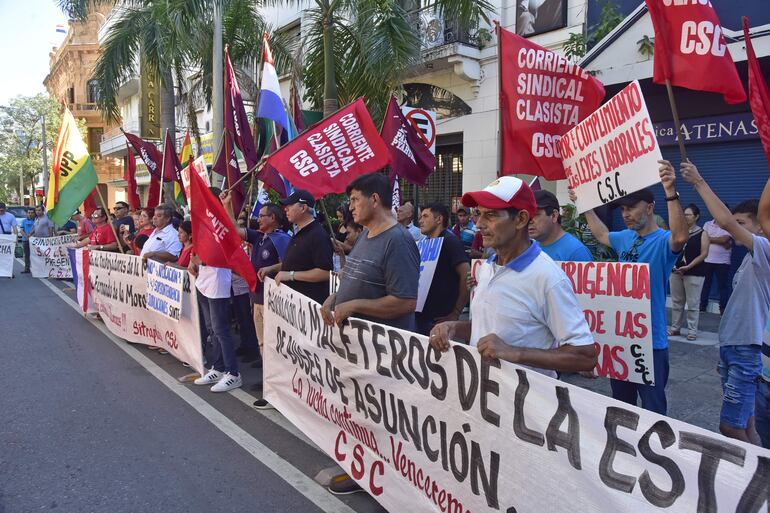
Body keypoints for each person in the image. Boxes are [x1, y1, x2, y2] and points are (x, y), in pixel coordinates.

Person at [430, 175, 596, 377]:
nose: (479, 224)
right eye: (478, 214)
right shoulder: (487, 267)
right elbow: (492, 329)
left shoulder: (549, 278)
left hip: (526, 403)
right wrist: (453, 328)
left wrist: (515, 353)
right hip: (486, 401)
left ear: (521, 219)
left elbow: (585, 356)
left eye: (490, 215)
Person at [320, 172, 420, 495]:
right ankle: (360, 468)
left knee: (382, 422)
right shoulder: (364, 235)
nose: (350, 208)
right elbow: (352, 275)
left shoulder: (399, 241)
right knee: (358, 414)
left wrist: (356, 305)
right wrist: (336, 298)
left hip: (385, 355)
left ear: (374, 200)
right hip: (357, 349)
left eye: (354, 200)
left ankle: (383, 482)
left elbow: (405, 302)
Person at [570, 160, 688, 415]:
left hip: (651, 342)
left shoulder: (664, 241)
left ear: (650, 207)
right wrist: (586, 206)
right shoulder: (625, 237)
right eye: (622, 209)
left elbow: (680, 237)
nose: (625, 214)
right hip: (622, 340)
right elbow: (602, 235)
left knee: (653, 409)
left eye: (631, 208)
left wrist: (670, 191)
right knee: (621, 407)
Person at [681, 162, 770, 444]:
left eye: (743, 224)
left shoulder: (765, 250)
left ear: (761, 224)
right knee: (746, 420)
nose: (734, 229)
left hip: (747, 349)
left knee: (731, 427)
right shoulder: (749, 257)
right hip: (733, 346)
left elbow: (725, 222)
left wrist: (698, 181)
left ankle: (755, 475)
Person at [254, 189, 333, 409]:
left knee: (304, 357)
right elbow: (294, 262)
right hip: (290, 308)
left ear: (304, 208)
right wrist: (275, 268)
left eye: (290, 206)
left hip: (306, 308)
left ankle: (305, 403)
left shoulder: (317, 235)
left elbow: (325, 271)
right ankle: (283, 396)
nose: (285, 209)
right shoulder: (299, 232)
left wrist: (290, 275)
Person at [414, 203, 470, 335]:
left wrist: (456, 312)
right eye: (420, 217)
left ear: (439, 219)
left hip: (438, 319)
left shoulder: (450, 241)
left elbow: (466, 275)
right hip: (420, 316)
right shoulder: (424, 243)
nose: (420, 221)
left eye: (425, 216)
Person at [668, 204, 709, 341]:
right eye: (684, 214)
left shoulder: (702, 233)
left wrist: (689, 266)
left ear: (696, 216)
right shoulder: (678, 231)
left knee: (693, 303)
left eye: (688, 215)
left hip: (694, 272)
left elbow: (704, 254)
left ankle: (692, 331)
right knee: (677, 302)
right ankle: (675, 328)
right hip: (675, 271)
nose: (685, 217)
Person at [529, 190, 593, 262]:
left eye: (535, 214)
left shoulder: (577, 252)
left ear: (554, 215)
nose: (529, 220)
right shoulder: (529, 248)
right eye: (526, 215)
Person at [700, 215, 733, 313]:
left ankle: (723, 309)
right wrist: (719, 240)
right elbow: (702, 238)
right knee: (705, 284)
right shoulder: (707, 224)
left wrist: (709, 238)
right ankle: (702, 306)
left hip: (723, 262)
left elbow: (724, 240)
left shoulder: (729, 225)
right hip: (707, 259)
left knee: (722, 286)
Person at [19, 208, 36, 273]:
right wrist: (26, 236)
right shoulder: (24, 221)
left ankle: (35, 268)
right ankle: (27, 268)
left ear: (34, 213)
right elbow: (21, 230)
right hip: (25, 240)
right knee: (26, 255)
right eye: (29, 213)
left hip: (34, 240)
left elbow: (36, 230)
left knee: (35, 255)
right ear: (27, 213)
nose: (30, 214)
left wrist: (31, 237)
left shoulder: (36, 221)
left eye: (32, 212)